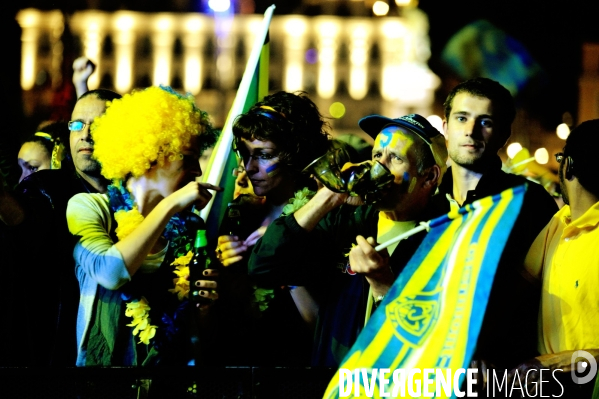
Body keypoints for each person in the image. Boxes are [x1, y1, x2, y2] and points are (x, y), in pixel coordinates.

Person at [248, 113, 447, 366]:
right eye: (377, 156)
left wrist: (384, 284)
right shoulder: (347, 221)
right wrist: (330, 197)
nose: (379, 168)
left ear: (429, 177)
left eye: (395, 158)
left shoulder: (444, 237)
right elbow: (263, 266)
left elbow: (438, 338)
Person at [66, 85, 221, 366]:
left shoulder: (189, 226)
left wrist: (205, 309)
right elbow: (110, 272)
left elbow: (196, 336)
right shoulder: (89, 207)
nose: (197, 171)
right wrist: (170, 204)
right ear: (150, 153)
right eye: (187, 156)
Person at [435, 77, 558, 373]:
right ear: (445, 126)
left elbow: (540, 295)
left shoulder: (529, 202)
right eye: (462, 118)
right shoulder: (423, 203)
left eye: (485, 122)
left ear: (504, 134)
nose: (470, 130)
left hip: (502, 373)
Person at [0, 89, 122, 367]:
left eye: (98, 124)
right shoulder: (46, 187)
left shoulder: (141, 196)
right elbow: (24, 221)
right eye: (77, 124)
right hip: (57, 359)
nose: (85, 134)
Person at [214, 91, 331, 366]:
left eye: (264, 155)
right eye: (245, 154)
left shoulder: (323, 218)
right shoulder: (238, 214)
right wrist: (224, 269)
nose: (250, 167)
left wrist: (283, 258)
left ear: (295, 155)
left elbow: (327, 332)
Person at [514, 119, 599, 397]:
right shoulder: (559, 222)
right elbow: (518, 285)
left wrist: (561, 362)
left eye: (560, 157)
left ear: (569, 165)